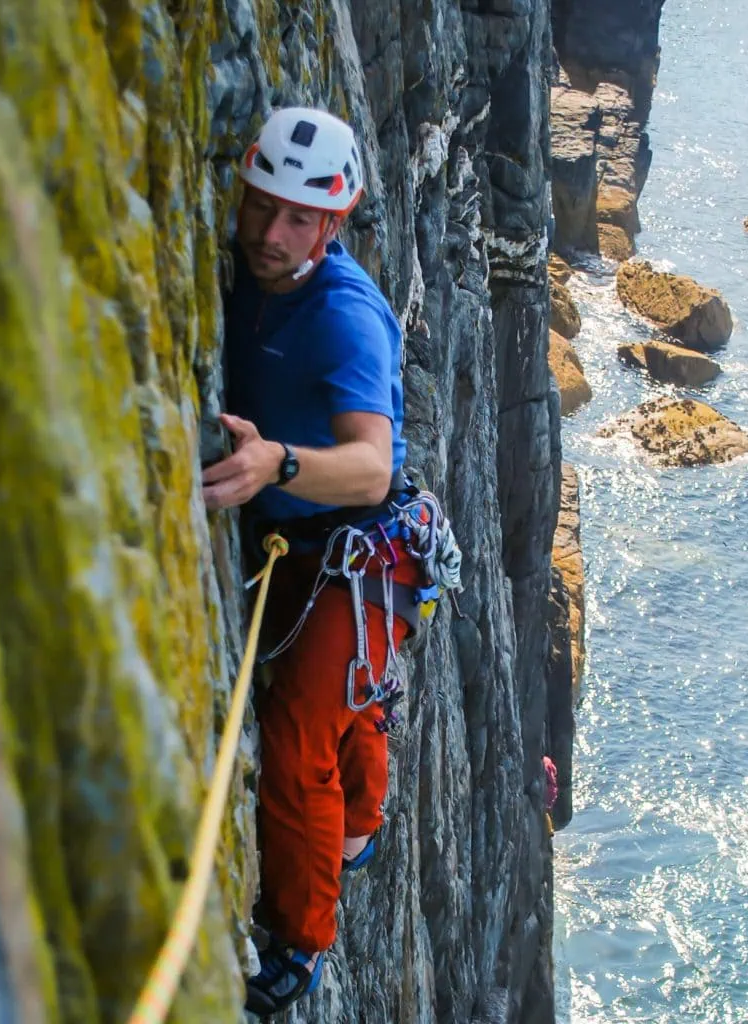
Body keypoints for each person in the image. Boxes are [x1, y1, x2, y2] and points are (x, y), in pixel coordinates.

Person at [202, 106, 419, 1018]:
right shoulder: (251, 268)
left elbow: (373, 467)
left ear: (333, 223)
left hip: (349, 547)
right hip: (297, 532)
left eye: (298, 218)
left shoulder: (344, 320)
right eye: (261, 205)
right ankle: (361, 824)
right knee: (349, 700)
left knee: (296, 746)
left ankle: (298, 942)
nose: (270, 232)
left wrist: (277, 465)